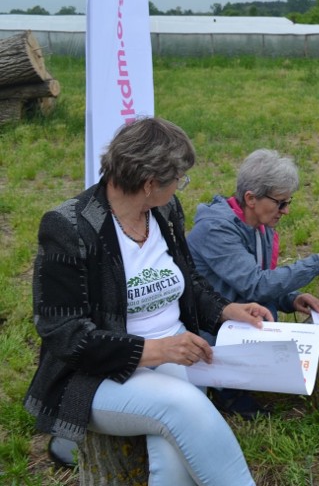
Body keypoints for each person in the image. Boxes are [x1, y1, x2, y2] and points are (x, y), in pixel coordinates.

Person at [24, 117, 271, 485]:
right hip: (96, 376)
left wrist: (224, 310)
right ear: (149, 183)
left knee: (174, 459)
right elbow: (64, 335)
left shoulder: (165, 212)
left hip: (174, 357)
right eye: (177, 179)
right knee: (185, 406)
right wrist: (155, 350)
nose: (180, 187)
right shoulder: (69, 227)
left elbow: (187, 281)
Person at [187, 148, 319, 416]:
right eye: (280, 202)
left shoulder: (260, 225)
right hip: (207, 325)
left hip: (235, 319)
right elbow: (255, 286)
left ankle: (238, 381)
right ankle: (222, 389)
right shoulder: (216, 229)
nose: (286, 211)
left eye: (289, 201)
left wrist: (291, 298)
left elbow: (258, 283)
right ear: (251, 198)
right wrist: (318, 261)